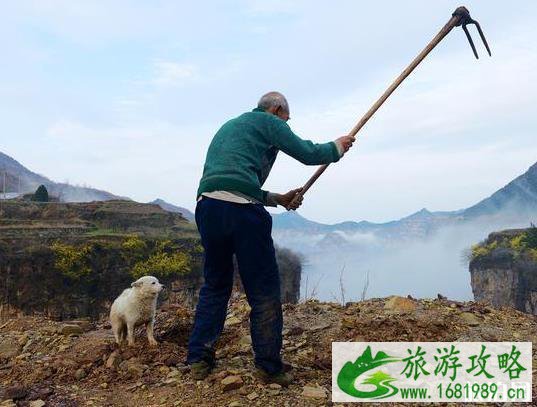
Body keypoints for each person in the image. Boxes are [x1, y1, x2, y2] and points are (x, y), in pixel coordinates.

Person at [186, 91, 355, 385]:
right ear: (276, 110)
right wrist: (337, 148)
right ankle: (268, 367)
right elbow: (308, 153)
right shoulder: (268, 121)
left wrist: (278, 199)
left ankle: (198, 360)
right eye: (286, 120)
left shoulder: (232, 126)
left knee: (215, 285)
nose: (285, 125)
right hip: (243, 213)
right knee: (264, 291)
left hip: (208, 207)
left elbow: (235, 181)